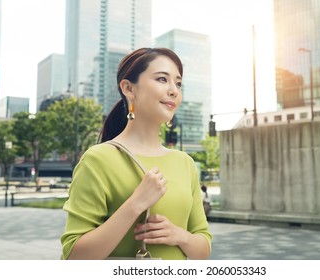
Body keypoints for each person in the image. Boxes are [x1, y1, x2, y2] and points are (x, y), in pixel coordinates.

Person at [61, 48, 212, 260]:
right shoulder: (98, 159)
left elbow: (203, 249)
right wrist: (136, 204)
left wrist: (180, 236)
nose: (173, 90)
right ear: (129, 88)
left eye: (178, 83)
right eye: (162, 79)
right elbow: (74, 257)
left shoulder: (184, 163)